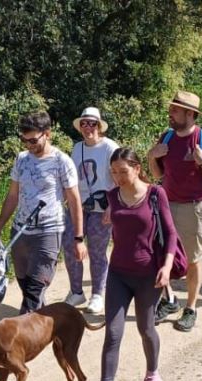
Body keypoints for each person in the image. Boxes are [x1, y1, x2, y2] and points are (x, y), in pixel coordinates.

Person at [84, 148, 177, 381]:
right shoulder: (112, 195)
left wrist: (167, 266)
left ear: (137, 168)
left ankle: (153, 374)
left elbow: (170, 233)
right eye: (114, 172)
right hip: (118, 273)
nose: (117, 177)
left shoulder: (155, 194)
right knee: (112, 333)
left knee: (146, 328)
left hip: (149, 273)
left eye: (123, 171)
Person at [147, 91, 202, 332]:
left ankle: (191, 308)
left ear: (190, 114)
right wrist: (151, 156)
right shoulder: (167, 137)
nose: (170, 114)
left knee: (192, 260)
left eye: (175, 110)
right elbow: (157, 175)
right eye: (171, 109)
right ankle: (169, 300)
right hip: (166, 206)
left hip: (194, 207)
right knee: (160, 256)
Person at [0, 111, 87, 314]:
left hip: (48, 232)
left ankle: (23, 339)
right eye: (24, 140)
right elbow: (12, 196)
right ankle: (42, 323)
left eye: (33, 140)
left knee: (35, 290)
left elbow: (74, 200)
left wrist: (78, 239)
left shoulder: (61, 161)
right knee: (25, 284)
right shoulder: (21, 159)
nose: (29, 145)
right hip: (20, 232)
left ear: (47, 134)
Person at [62, 107, 119, 314]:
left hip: (101, 206)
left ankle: (97, 294)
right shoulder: (77, 148)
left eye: (92, 123)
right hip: (79, 205)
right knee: (69, 244)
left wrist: (113, 206)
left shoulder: (110, 148)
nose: (88, 127)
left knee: (96, 250)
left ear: (99, 126)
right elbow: (70, 177)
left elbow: (119, 177)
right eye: (84, 123)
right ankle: (76, 291)